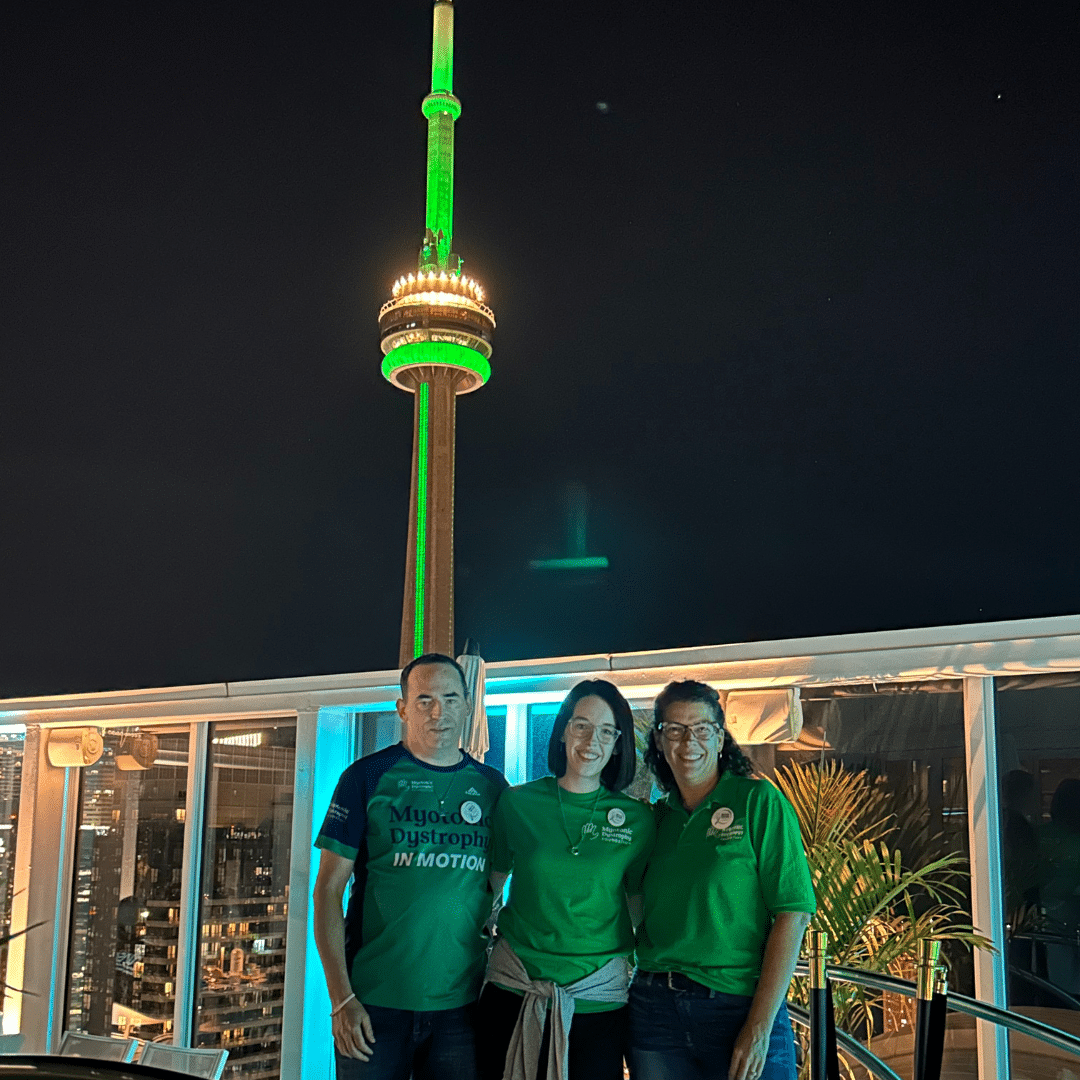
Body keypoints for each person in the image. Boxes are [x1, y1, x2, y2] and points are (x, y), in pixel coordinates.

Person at [313, 652, 508, 1080]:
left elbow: (503, 872)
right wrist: (341, 999)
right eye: (425, 700)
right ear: (402, 708)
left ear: (468, 705)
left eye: (451, 699)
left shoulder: (493, 787)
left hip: (462, 1008)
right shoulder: (365, 777)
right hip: (372, 1006)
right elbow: (327, 891)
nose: (439, 712)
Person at [629, 680, 814, 1080]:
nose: (688, 741)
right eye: (675, 729)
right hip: (655, 1010)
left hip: (738, 1005)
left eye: (702, 728)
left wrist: (759, 1026)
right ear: (658, 740)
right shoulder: (655, 820)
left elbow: (794, 914)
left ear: (719, 738)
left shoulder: (758, 802)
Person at [478, 679, 653, 1080]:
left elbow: (639, 909)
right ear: (562, 731)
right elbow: (490, 890)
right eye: (581, 726)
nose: (592, 741)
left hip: (598, 1001)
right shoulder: (517, 803)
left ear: (618, 744)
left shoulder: (638, 820)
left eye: (606, 731)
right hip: (514, 989)